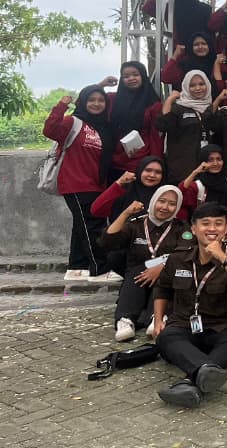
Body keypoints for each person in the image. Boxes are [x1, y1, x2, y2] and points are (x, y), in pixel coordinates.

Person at [150, 201, 227, 408]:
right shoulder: (178, 258)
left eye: (218, 223)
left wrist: (222, 257)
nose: (212, 228)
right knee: (166, 337)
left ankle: (187, 384)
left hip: (224, 328)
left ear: (226, 229)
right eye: (205, 223)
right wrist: (158, 321)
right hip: (184, 326)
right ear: (194, 228)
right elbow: (162, 288)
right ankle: (203, 372)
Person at [99, 184, 192, 341]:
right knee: (137, 270)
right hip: (138, 277)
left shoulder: (182, 227)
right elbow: (107, 241)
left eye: (172, 204)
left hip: (166, 277)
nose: (165, 207)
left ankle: (157, 317)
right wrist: (126, 213)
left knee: (168, 273)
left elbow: (185, 253)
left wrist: (161, 266)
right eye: (161, 201)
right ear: (153, 201)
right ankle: (125, 320)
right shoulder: (136, 224)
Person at [44, 85, 117, 282]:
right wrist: (61, 105)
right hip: (75, 182)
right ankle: (100, 270)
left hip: (95, 184)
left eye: (100, 100)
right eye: (91, 100)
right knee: (93, 226)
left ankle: (77, 267)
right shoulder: (73, 122)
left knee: (82, 225)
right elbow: (50, 130)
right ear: (83, 102)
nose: (96, 104)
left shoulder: (102, 127)